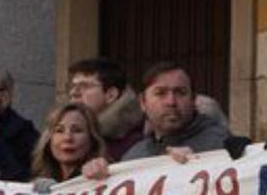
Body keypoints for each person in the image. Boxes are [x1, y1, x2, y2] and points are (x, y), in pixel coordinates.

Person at [82, 62, 229, 178]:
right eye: (161, 93)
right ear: (142, 103)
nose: (171, 101)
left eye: (180, 92)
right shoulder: (133, 156)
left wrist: (205, 163)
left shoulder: (225, 145)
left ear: (193, 100)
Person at [68, 58, 143, 161]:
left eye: (84, 86)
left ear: (111, 95)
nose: (73, 93)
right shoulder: (62, 137)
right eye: (73, 86)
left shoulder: (134, 145)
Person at [31, 102, 106, 192]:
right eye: (59, 130)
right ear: (49, 139)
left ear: (92, 139)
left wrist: (101, 179)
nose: (67, 138)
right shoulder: (37, 185)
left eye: (77, 130)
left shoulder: (103, 176)